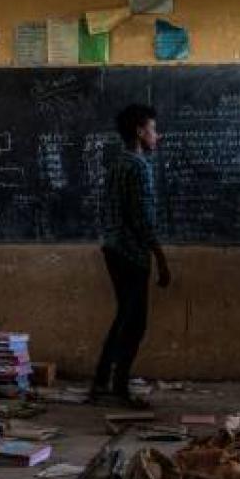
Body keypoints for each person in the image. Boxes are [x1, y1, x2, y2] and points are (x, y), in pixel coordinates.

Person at [91, 103, 171, 406]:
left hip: (113, 248)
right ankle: (117, 387)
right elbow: (142, 220)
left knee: (125, 318)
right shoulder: (138, 167)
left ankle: (103, 381)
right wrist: (161, 259)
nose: (157, 135)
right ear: (139, 131)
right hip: (132, 254)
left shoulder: (116, 164)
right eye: (152, 129)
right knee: (133, 322)